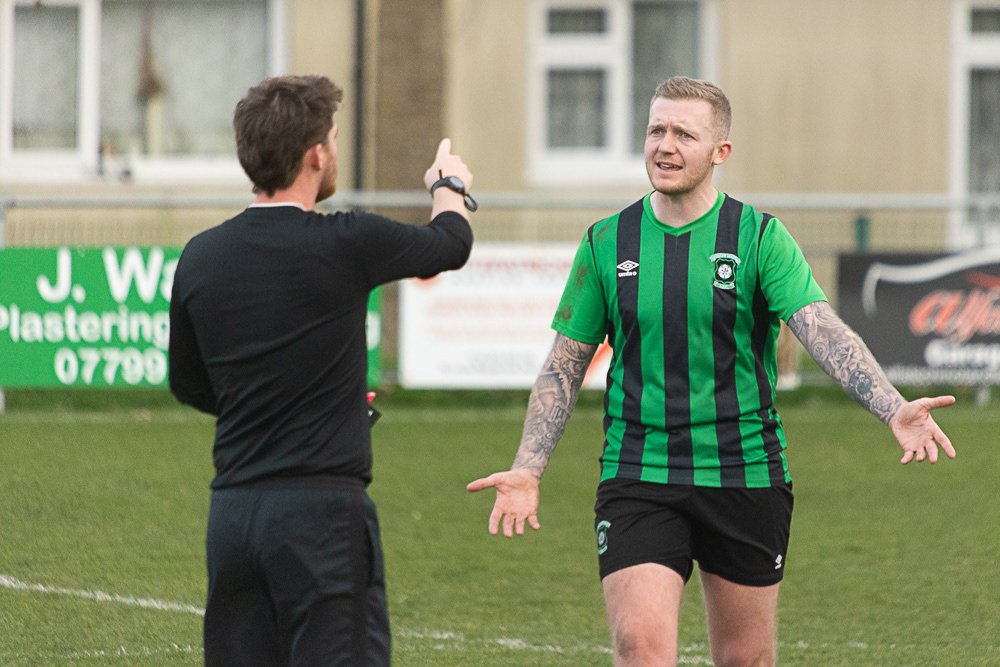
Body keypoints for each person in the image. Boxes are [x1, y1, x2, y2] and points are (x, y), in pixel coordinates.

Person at [467, 76, 955, 667]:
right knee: (639, 649)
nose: (665, 145)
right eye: (656, 130)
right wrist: (527, 468)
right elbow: (563, 368)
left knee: (745, 659)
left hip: (744, 471)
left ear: (720, 151)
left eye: (684, 134)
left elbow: (822, 331)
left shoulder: (759, 236)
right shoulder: (607, 241)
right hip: (640, 472)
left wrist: (892, 407)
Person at [169, 74, 474, 666]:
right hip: (320, 518)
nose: (334, 149)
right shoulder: (348, 239)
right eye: (332, 139)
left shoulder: (200, 254)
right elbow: (449, 243)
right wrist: (448, 184)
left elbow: (188, 382)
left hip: (232, 516)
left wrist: (278, 403)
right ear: (315, 155)